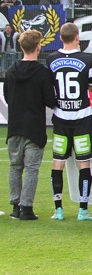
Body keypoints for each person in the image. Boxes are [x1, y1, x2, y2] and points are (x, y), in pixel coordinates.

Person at [48, 23, 92, 221]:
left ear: (61, 37)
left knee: (57, 162)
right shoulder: (87, 59)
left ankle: (58, 210)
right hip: (81, 118)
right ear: (77, 37)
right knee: (83, 163)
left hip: (60, 117)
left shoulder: (51, 59)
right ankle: (83, 209)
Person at [4, 30, 56, 220]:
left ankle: (15, 205)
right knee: (32, 169)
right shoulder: (42, 73)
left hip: (15, 126)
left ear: (20, 46)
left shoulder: (10, 72)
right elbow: (51, 100)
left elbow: (7, 97)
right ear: (38, 47)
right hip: (34, 127)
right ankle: (27, 207)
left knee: (15, 167)